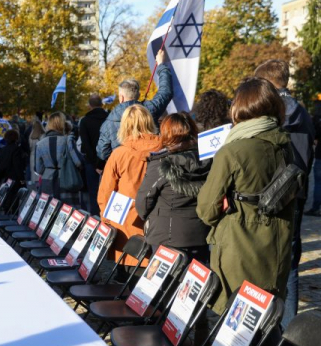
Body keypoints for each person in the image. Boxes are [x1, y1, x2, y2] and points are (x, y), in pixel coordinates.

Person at [196, 77, 294, 313]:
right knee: (267, 321)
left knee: (235, 325)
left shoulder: (231, 151)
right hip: (277, 244)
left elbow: (206, 209)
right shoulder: (285, 145)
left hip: (238, 247)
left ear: (239, 107)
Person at [254, 59, 317, 331]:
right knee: (290, 262)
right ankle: (288, 328)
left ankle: (266, 325)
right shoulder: (303, 113)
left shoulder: (272, 114)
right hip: (296, 192)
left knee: (267, 260)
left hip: (272, 194)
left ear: (267, 83)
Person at [136, 112, 211, 264]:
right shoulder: (209, 160)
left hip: (166, 236)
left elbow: (143, 202)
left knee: (164, 286)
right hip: (200, 233)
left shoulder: (161, 164)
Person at [98, 105, 163, 270]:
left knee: (127, 285)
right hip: (159, 223)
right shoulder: (164, 150)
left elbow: (105, 193)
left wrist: (106, 221)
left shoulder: (119, 154)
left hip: (126, 226)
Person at [97, 50, 172, 161]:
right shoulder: (149, 109)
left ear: (121, 97)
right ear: (139, 95)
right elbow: (166, 92)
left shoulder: (108, 123)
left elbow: (102, 153)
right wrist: (161, 65)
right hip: (150, 167)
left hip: (125, 171)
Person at [35, 112, 80, 199]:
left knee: (48, 209)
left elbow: (39, 169)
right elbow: (78, 162)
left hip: (47, 180)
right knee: (66, 210)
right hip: (67, 179)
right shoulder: (68, 141)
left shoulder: (40, 144)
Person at [79, 95, 108, 215]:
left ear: (90, 106)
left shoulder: (85, 121)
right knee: (109, 190)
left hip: (91, 162)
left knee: (93, 192)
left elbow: (86, 144)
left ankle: (95, 216)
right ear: (101, 104)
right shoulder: (109, 118)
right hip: (108, 159)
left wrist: (95, 163)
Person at [0, 129, 27, 207]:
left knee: (6, 198)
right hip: (15, 178)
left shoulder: (3, 149)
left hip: (5, 177)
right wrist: (22, 179)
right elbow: (17, 165)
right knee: (14, 200)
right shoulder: (17, 149)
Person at [28, 120, 44, 189]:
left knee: (33, 173)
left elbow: (30, 147)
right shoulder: (43, 135)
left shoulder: (31, 136)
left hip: (32, 156)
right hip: (40, 156)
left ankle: (34, 190)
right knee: (40, 173)